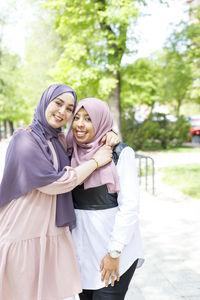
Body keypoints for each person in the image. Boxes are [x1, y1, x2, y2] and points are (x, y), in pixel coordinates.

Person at [0, 84, 118, 300]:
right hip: (22, 233)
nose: (62, 112)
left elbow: (88, 134)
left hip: (48, 234)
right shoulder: (24, 139)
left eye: (69, 108)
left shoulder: (59, 139)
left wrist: (108, 132)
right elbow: (54, 184)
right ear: (46, 101)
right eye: (58, 103)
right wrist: (95, 162)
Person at [68, 98, 144, 300]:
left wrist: (114, 252)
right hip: (81, 256)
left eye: (89, 118)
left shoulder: (120, 153)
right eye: (76, 117)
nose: (80, 124)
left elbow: (130, 207)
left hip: (112, 254)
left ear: (101, 121)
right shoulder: (68, 151)